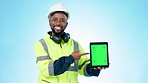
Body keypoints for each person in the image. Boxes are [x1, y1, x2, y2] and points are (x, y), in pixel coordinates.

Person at [34, 3, 105, 83]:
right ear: (49, 22)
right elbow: (48, 70)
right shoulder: (41, 44)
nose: (58, 23)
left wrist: (93, 67)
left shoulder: (75, 45)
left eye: (62, 20)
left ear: (66, 24)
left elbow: (83, 68)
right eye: (55, 19)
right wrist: (71, 58)